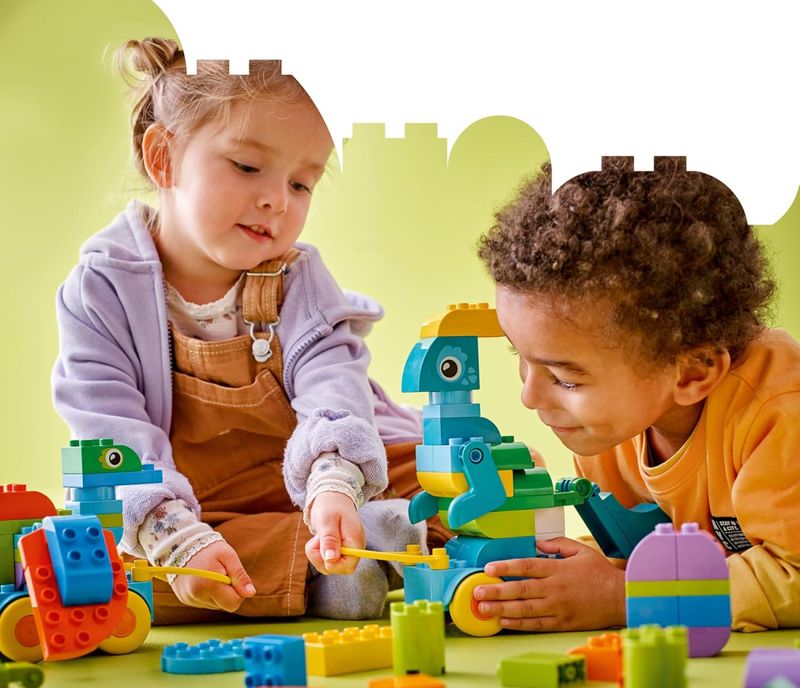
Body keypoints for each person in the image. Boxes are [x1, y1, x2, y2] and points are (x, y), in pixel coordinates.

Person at [52, 37, 440, 624]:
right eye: (248, 166)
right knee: (122, 571)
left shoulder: (297, 277)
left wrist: (334, 484)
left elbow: (334, 386)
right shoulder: (100, 291)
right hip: (200, 504)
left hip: (314, 475)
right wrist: (176, 536)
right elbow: (111, 435)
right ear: (164, 158)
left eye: (301, 184)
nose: (276, 201)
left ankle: (348, 535)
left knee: (473, 473)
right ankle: (346, 562)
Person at [474, 155, 800, 633]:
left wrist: (623, 598)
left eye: (566, 379)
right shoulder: (607, 435)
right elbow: (640, 555)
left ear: (691, 372)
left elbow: (793, 576)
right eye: (519, 356)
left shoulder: (778, 411)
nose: (529, 396)